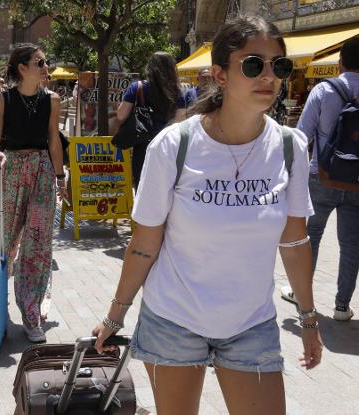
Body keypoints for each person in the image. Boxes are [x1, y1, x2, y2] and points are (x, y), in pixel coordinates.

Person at [92, 16, 322, 414]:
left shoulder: (290, 147)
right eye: (254, 64)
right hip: (173, 320)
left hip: (251, 323)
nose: (269, 76)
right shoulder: (176, 145)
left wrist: (309, 321)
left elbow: (294, 240)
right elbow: (145, 244)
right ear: (220, 74)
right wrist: (115, 317)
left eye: (279, 66)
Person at [0, 44, 67, 343]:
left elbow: (54, 143)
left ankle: (31, 312)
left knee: (38, 243)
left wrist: (60, 178)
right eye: (41, 62)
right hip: (12, 170)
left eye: (46, 62)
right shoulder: (2, 100)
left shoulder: (53, 100)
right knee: (4, 241)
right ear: (22, 68)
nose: (47, 67)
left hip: (43, 173)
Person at [280, 36, 359, 321]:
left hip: (321, 176)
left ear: (340, 63)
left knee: (310, 236)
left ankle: (303, 300)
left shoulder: (324, 90)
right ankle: (341, 306)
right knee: (352, 244)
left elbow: (302, 137)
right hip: (358, 182)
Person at [116, 52, 186, 190]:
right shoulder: (177, 92)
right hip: (168, 147)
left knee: (142, 189)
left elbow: (121, 116)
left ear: (150, 67)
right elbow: (179, 122)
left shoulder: (137, 87)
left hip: (143, 146)